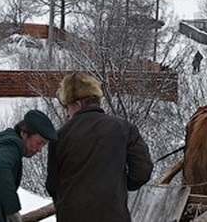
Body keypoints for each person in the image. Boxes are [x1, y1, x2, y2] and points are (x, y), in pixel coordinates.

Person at [46, 72, 154, 222]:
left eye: (67, 108)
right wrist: (119, 186)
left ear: (77, 105)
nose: (67, 114)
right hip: (114, 215)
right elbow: (142, 171)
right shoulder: (124, 128)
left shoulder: (60, 136)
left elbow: (52, 185)